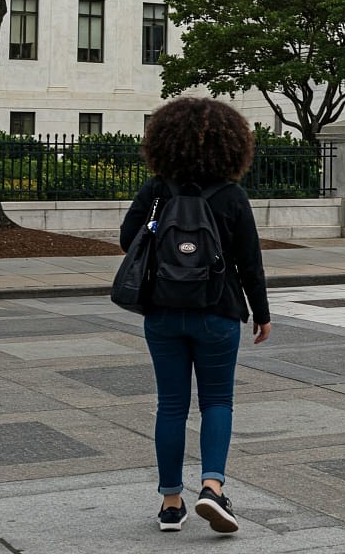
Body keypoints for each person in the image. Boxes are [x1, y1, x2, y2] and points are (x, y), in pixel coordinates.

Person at [119, 97, 270, 534]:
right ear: (232, 144)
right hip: (218, 312)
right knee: (217, 401)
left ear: (164, 141)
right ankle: (212, 488)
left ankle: (170, 503)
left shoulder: (156, 190)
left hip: (163, 310)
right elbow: (250, 262)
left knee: (171, 405)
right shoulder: (231, 195)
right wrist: (261, 313)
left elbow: (127, 239)